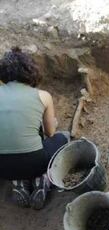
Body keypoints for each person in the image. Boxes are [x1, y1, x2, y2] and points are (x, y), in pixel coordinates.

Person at [0, 47, 69, 209]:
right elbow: (50, 132)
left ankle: (18, 183)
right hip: (36, 163)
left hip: (2, 169)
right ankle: (43, 179)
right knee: (62, 137)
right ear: (30, 71)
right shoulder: (43, 96)